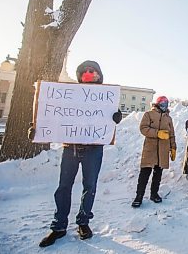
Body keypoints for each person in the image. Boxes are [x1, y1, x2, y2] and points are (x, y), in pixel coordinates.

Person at [37, 60, 123, 247]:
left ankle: (83, 222)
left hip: (93, 149)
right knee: (63, 186)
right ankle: (58, 226)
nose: (89, 73)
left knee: (89, 186)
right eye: (85, 70)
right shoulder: (68, 95)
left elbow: (109, 120)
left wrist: (116, 116)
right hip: (71, 148)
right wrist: (37, 129)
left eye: (93, 70)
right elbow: (52, 114)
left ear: (100, 74)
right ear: (79, 75)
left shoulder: (106, 98)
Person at [132, 96, 176, 208]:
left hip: (163, 150)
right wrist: (157, 133)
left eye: (166, 103)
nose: (164, 105)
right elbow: (143, 128)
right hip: (150, 149)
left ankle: (154, 194)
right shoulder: (148, 114)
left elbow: (171, 134)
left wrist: (173, 147)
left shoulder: (168, 118)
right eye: (162, 103)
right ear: (157, 104)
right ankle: (139, 196)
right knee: (145, 173)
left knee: (158, 174)